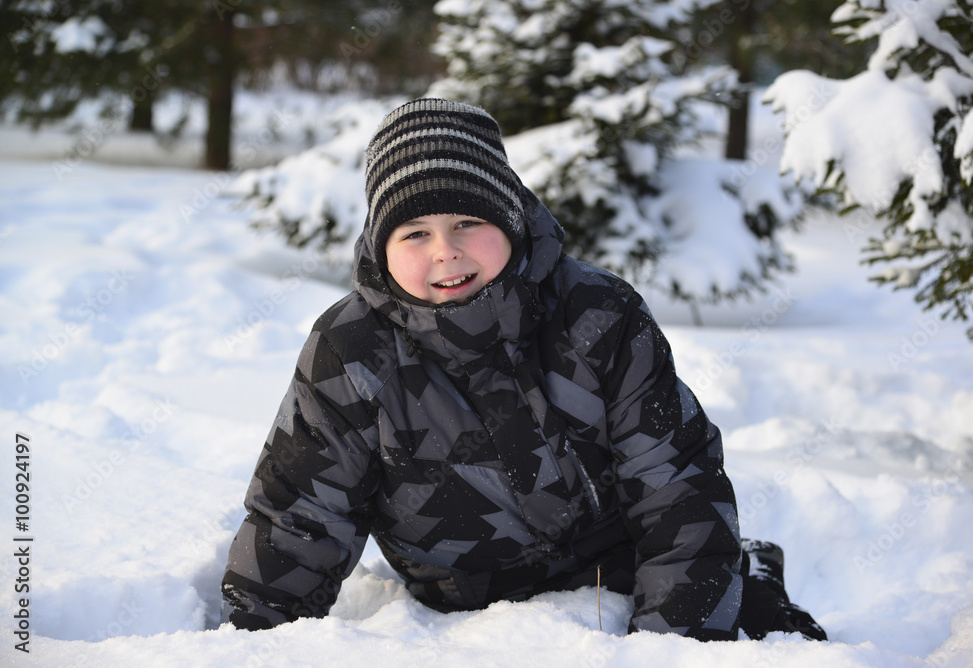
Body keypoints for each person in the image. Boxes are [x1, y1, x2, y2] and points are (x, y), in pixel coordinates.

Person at [221, 98, 826, 641]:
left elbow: (675, 480)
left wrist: (677, 648)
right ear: (381, 248)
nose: (444, 251)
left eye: (468, 223)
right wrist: (254, 637)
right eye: (414, 233)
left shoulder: (599, 317)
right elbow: (301, 511)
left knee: (757, 625)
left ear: (510, 221)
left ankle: (755, 576)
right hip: (458, 600)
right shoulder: (350, 349)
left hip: (611, 569)